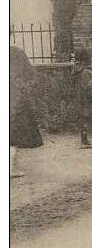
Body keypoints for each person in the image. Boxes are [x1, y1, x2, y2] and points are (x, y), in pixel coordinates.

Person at [10, 46, 42, 177]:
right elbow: (31, 77)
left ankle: (10, 167)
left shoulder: (16, 52)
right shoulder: (16, 52)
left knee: (13, 134)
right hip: (15, 99)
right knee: (13, 134)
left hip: (14, 98)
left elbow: (31, 76)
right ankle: (10, 168)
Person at [71, 48, 92, 149]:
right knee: (86, 118)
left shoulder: (76, 69)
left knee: (83, 119)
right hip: (85, 98)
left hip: (78, 97)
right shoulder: (86, 71)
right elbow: (88, 86)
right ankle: (85, 140)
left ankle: (84, 139)